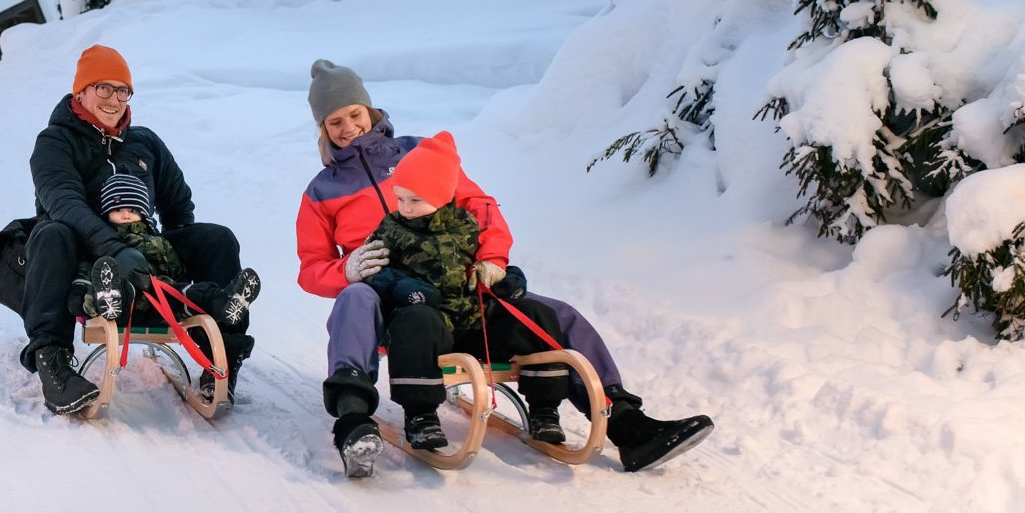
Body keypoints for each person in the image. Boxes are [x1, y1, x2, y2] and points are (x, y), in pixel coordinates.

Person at [295, 59, 714, 473]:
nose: (348, 127)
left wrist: (492, 259)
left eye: (354, 114)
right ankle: (353, 421)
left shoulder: (420, 153)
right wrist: (347, 270)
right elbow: (311, 267)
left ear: (369, 110)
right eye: (335, 121)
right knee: (354, 298)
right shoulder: (321, 191)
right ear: (322, 128)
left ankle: (626, 422)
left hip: (457, 281)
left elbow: (481, 207)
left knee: (555, 313)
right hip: (392, 299)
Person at [20, 45, 259, 415]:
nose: (114, 99)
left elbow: (178, 207)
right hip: (79, 255)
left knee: (217, 239)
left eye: (122, 90)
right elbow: (64, 204)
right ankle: (53, 363)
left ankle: (220, 360)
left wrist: (167, 258)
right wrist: (113, 250)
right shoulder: (54, 142)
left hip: (139, 248)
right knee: (51, 233)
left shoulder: (144, 141)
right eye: (103, 88)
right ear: (80, 91)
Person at [325, 132, 574, 476]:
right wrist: (403, 286)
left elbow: (490, 258)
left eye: (415, 200)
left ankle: (545, 409)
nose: (405, 208)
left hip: (472, 323)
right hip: (428, 325)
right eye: (400, 198)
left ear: (442, 197)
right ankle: (421, 415)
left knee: (537, 314)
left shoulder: (467, 228)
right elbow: (377, 275)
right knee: (417, 322)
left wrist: (505, 276)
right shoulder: (392, 230)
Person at [83, 174, 262, 400]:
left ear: (143, 213)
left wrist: (175, 281)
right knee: (112, 284)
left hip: (159, 300)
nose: (126, 214)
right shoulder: (100, 243)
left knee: (188, 292)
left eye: (133, 209)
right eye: (118, 209)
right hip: (124, 305)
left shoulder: (158, 243)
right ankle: (108, 297)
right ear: (107, 214)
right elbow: (85, 272)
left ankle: (224, 302)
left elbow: (176, 269)